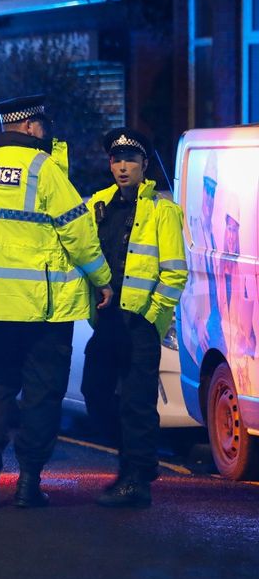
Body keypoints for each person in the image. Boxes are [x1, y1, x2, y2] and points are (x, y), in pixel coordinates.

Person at [0, 94, 113, 508]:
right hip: (42, 307)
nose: (47, 130)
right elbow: (77, 230)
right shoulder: (44, 169)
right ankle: (28, 484)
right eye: (43, 124)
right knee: (41, 395)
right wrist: (102, 278)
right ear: (28, 127)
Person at [82, 128, 188, 508]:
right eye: (116, 160)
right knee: (94, 392)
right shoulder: (99, 205)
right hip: (107, 321)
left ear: (145, 165)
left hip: (140, 323)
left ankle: (135, 480)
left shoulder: (162, 211)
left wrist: (153, 318)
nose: (122, 167)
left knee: (137, 403)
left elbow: (175, 271)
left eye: (130, 160)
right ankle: (140, 464)